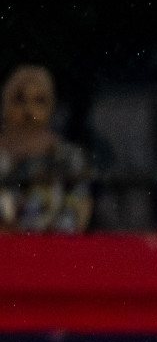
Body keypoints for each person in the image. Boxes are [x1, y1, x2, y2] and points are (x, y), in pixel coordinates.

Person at [0, 65, 92, 233]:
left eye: (39, 101)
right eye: (19, 100)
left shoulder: (67, 156)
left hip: (52, 245)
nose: (28, 110)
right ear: (5, 105)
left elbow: (79, 209)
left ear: (50, 107)